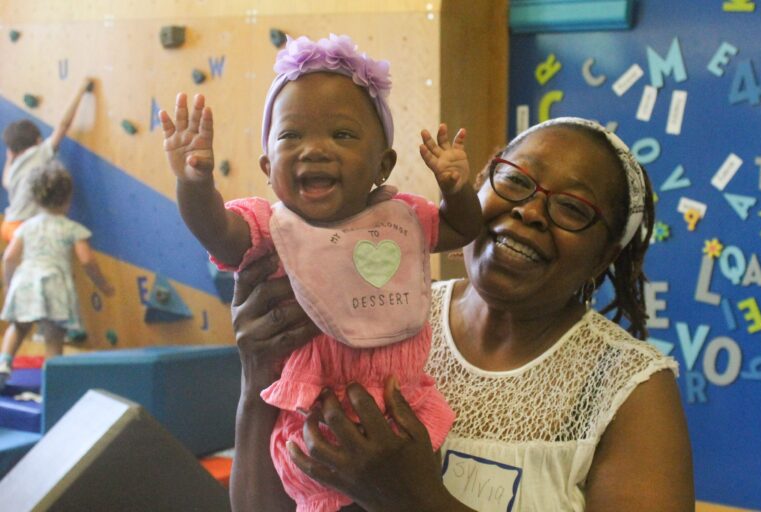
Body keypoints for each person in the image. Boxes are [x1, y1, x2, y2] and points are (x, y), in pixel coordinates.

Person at [228, 117, 696, 511]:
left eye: (572, 208)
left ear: (604, 256)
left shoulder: (629, 389)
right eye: (514, 180)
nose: (530, 211)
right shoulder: (372, 318)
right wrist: (258, 379)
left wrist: (419, 501)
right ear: (477, 188)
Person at [160, 34, 483, 512]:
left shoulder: (402, 220)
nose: (314, 150)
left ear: (383, 165)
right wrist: (194, 183)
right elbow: (217, 233)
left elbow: (461, 227)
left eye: (342, 135)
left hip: (401, 410)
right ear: (268, 167)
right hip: (313, 423)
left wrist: (456, 189)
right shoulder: (270, 228)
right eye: (292, 136)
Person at [0, 161, 114, 389]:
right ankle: (52, 378)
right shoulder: (71, 228)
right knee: (54, 333)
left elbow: (10, 257)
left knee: (18, 326)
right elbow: (86, 259)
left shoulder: (26, 227)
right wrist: (102, 284)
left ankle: (4, 364)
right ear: (68, 199)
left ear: (35, 198)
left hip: (26, 280)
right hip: (54, 283)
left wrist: (9, 283)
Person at [2, 77, 93, 243]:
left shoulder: (15, 165)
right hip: (25, 227)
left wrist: (9, 160)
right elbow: (63, 125)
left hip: (8, 225)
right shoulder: (40, 152)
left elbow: (6, 182)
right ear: (38, 140)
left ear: (14, 150)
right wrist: (81, 90)